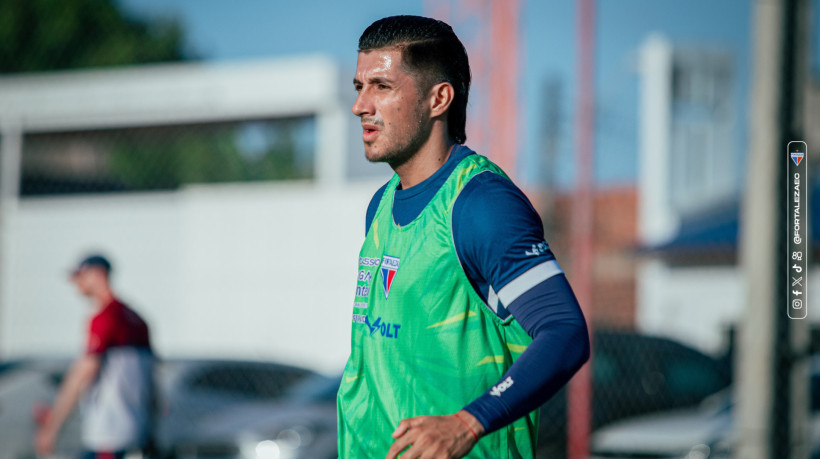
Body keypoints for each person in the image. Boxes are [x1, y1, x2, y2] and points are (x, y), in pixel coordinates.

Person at [336, 15, 590, 459]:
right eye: (359, 87)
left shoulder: (480, 204)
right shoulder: (380, 206)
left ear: (439, 98)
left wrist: (468, 422)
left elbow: (565, 332)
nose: (361, 105)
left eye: (382, 86)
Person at [35, 255, 155, 459]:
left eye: (81, 276)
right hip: (136, 431)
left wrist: (52, 427)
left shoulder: (105, 317)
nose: (76, 283)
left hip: (109, 433)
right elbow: (151, 382)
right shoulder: (137, 319)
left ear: (98, 274)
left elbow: (83, 373)